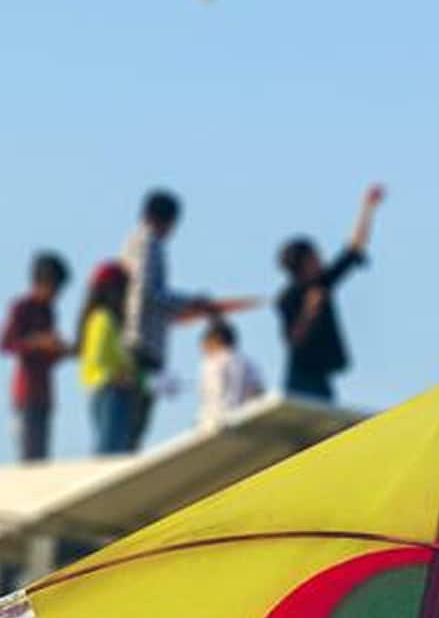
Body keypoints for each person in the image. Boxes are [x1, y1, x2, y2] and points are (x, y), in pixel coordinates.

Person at [121, 189, 256, 450]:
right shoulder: (147, 243)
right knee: (136, 418)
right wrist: (191, 303)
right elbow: (147, 293)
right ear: (164, 220)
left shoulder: (136, 242)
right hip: (142, 343)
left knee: (136, 419)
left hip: (142, 340)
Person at [276, 184, 384, 400]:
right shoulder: (287, 298)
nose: (320, 260)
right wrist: (308, 311)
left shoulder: (322, 283)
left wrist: (368, 208)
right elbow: (292, 341)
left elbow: (353, 249)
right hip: (301, 377)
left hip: (322, 374)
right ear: (303, 264)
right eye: (315, 257)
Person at [1, 252, 71, 462]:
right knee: (29, 458)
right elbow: (7, 343)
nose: (57, 294)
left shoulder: (48, 311)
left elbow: (48, 358)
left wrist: (59, 351)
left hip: (45, 394)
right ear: (42, 282)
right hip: (26, 392)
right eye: (55, 288)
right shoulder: (22, 307)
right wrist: (38, 341)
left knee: (42, 458)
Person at [77, 261, 138, 454]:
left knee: (115, 447)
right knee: (109, 450)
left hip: (110, 390)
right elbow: (97, 359)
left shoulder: (102, 319)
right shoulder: (102, 319)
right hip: (108, 391)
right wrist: (117, 376)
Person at [197, 318, 264, 430]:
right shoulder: (246, 362)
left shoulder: (222, 361)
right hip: (228, 418)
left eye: (205, 342)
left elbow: (232, 391)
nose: (202, 347)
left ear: (216, 340)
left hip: (228, 418)